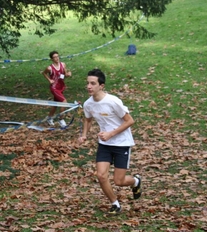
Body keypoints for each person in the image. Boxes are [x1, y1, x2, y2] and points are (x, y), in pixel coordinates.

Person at [78, 69, 142, 215]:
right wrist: (84, 135)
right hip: (105, 144)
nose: (89, 86)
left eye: (93, 83)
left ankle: (135, 181)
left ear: (101, 86)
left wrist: (111, 133)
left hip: (121, 143)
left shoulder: (113, 101)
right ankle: (115, 204)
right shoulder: (88, 104)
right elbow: (88, 119)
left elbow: (130, 120)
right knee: (101, 176)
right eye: (87, 83)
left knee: (119, 181)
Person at [42, 51, 71, 127]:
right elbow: (44, 73)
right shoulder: (50, 68)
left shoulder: (63, 64)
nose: (57, 58)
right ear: (52, 59)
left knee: (55, 104)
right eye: (54, 57)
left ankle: (49, 118)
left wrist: (68, 74)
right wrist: (49, 80)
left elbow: (64, 75)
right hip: (54, 88)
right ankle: (61, 119)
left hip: (61, 87)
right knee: (64, 102)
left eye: (57, 56)